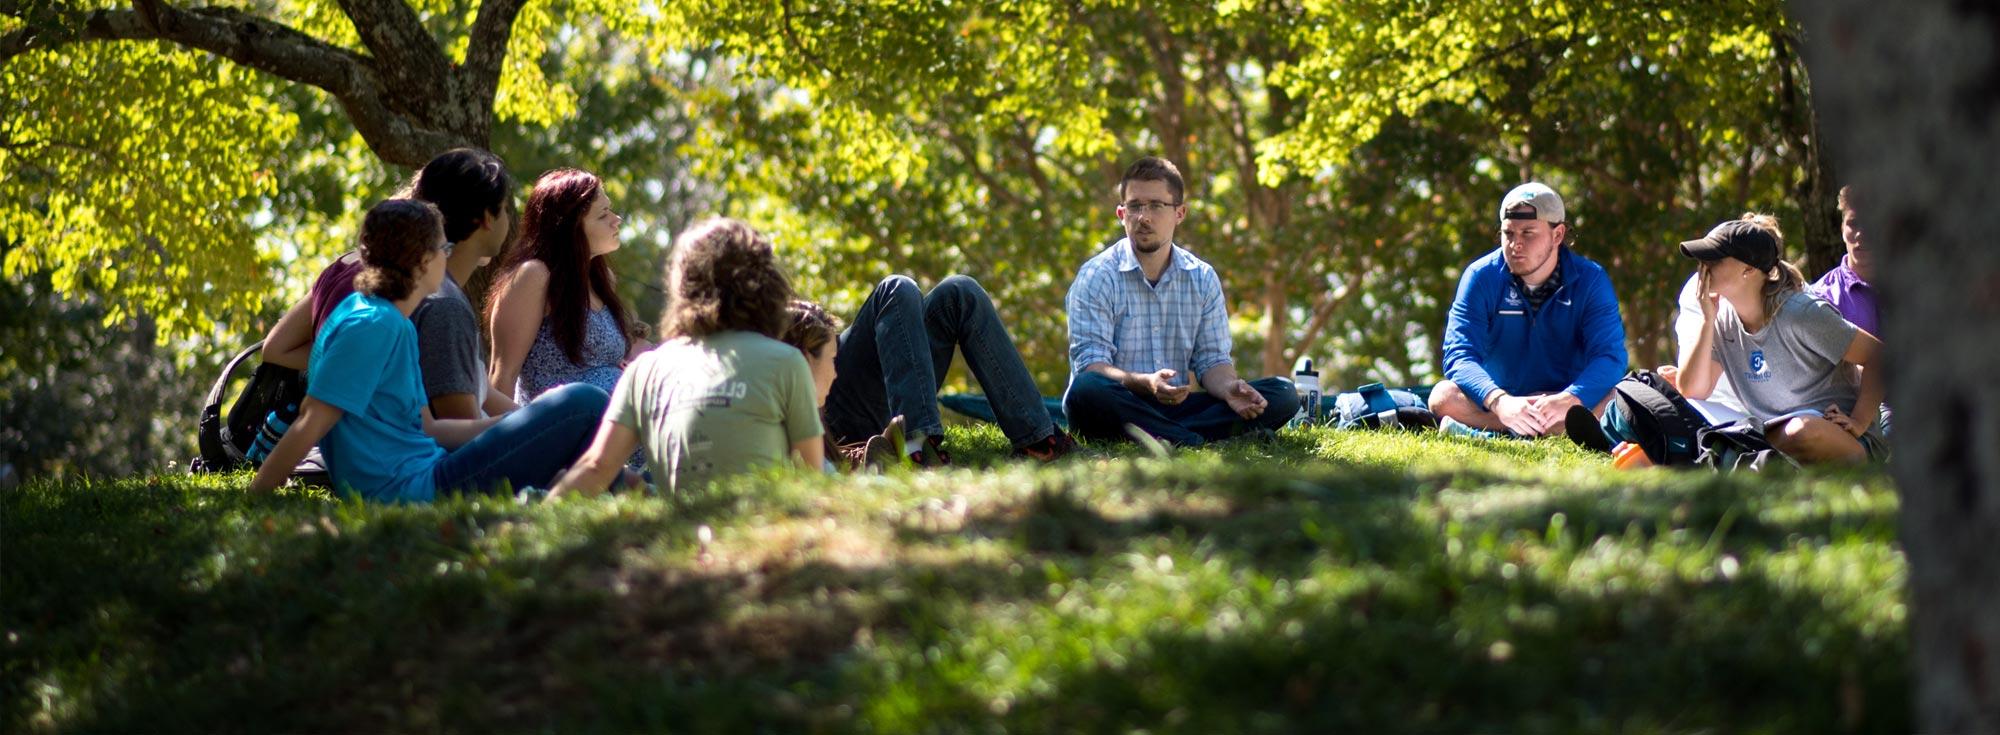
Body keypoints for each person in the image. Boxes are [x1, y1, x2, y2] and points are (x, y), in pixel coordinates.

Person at [249, 200, 609, 501]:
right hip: (414, 489)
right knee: (584, 401)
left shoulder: (395, 323)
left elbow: (429, 428)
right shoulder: (371, 325)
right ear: (421, 259)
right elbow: (312, 420)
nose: (447, 260)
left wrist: (514, 426)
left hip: (431, 468)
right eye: (443, 249)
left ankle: (631, 488)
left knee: (569, 419)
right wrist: (256, 496)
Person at [550, 219, 825, 497]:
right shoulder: (786, 361)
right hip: (759, 529)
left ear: (682, 286)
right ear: (768, 286)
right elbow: (810, 479)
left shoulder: (645, 370)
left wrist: (538, 518)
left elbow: (597, 466)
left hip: (679, 534)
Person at [1061, 156, 1299, 446]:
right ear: (1122, 214)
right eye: (1135, 206)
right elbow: (1092, 366)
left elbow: (1212, 360)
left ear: (1180, 213)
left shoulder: (1201, 277)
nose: (1143, 217)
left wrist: (1229, 388)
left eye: (1156, 206)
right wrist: (1145, 383)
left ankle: (1171, 436)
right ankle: (1196, 441)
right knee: (1086, 390)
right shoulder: (1096, 276)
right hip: (1114, 406)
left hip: (1178, 408)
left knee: (1283, 393)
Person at [260, 148, 518, 405]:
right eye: (505, 208)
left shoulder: (348, 268)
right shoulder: (437, 306)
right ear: (485, 219)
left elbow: (276, 348)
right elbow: (459, 426)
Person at [1674, 218, 1889, 464]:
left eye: (1714, 259)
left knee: (1801, 431)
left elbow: (1878, 356)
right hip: (1774, 434)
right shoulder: (1721, 321)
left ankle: (1747, 455)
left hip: (1838, 438)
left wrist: (1859, 423)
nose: (1703, 266)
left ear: (1748, 270)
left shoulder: (1800, 313)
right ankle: (1754, 455)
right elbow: (1693, 389)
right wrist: (1706, 322)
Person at [1430, 182, 1628, 438]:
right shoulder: (1480, 276)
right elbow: (1459, 355)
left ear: (1558, 235)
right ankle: (1531, 429)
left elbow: (1610, 357)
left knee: (1619, 396)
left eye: (1528, 233)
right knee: (1442, 396)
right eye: (1508, 233)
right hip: (1502, 401)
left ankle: (1492, 433)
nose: (1515, 244)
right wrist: (1499, 401)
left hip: (1564, 402)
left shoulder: (1591, 279)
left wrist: (1571, 398)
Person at [817, 275, 1075, 466]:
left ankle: (1039, 441)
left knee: (959, 292)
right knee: (895, 288)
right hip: (835, 411)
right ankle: (916, 446)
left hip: (875, 396)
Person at [486, 168, 652, 406]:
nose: (617, 219)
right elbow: (502, 376)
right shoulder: (534, 276)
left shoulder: (601, 279)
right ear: (570, 226)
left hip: (616, 432)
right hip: (558, 435)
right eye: (603, 214)